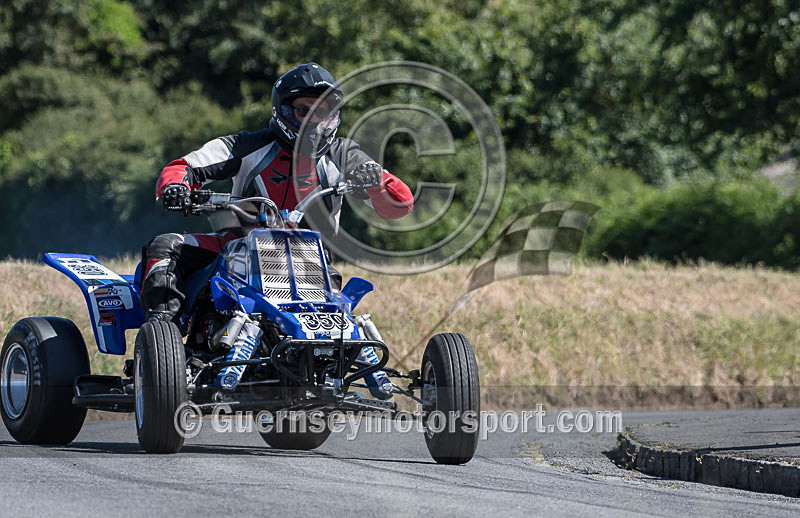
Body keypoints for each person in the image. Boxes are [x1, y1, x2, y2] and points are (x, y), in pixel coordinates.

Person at [139, 63, 413, 399]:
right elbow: (182, 167)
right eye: (303, 111)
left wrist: (377, 184)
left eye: (324, 113)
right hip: (236, 248)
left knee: (341, 300)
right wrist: (176, 188)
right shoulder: (247, 145)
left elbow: (400, 204)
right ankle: (160, 346)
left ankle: (326, 369)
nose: (314, 122)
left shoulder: (345, 155)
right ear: (283, 111)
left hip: (310, 263)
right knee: (165, 246)